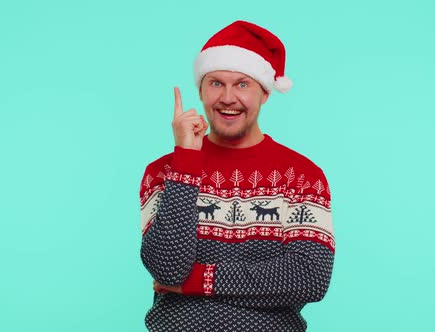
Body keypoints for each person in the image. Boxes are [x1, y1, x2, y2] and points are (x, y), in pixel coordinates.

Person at [139, 20, 335, 331]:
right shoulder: (163, 172)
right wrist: (187, 162)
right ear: (201, 91)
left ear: (265, 94)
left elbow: (308, 278)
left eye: (242, 84)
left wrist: (198, 281)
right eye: (216, 83)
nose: (228, 98)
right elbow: (168, 270)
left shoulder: (302, 177)